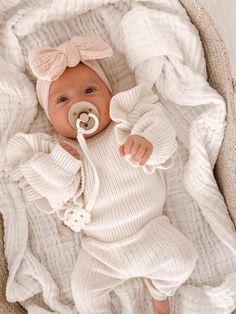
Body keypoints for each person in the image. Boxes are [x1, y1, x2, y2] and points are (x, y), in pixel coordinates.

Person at [6, 34, 198, 314]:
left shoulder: (126, 123)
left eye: (89, 91)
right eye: (62, 99)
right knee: (83, 290)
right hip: (101, 251)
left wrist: (148, 143)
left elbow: (162, 129)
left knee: (183, 259)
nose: (78, 103)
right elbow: (54, 194)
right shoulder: (60, 151)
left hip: (152, 231)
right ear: (49, 117)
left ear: (109, 93)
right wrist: (61, 165)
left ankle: (160, 293)